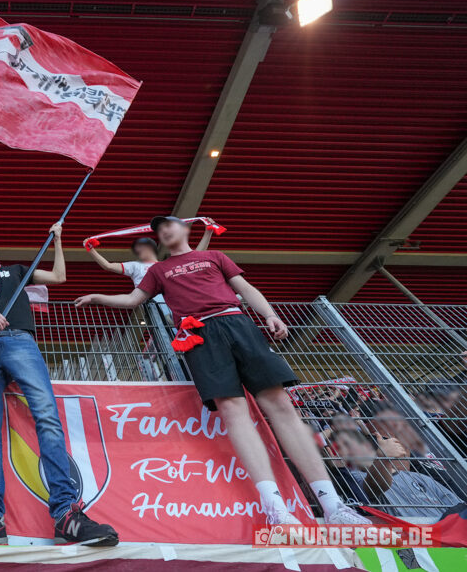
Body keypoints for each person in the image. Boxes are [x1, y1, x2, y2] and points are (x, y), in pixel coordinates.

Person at [74, 215, 370, 526]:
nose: (164, 230)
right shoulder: (157, 270)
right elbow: (134, 299)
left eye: (170, 224)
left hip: (237, 322)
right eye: (159, 229)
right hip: (198, 335)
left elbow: (244, 286)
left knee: (280, 404)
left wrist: (269, 314)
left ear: (187, 228)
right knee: (232, 410)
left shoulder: (214, 256)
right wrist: (98, 297)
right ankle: (276, 511)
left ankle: (333, 506)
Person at [0, 225, 119, 546]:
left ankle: (66, 513)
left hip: (21, 341)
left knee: (47, 417)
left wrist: (59, 240)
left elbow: (60, 277)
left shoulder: (16, 271)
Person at [333, 429, 460, 519]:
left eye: (347, 446)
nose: (344, 452)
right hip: (415, 543)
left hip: (451, 540)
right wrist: (383, 458)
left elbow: (457, 507)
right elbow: (374, 487)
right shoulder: (354, 478)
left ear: (368, 446)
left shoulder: (419, 477)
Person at [87, 227, 214, 316]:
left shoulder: (166, 264)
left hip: (174, 301)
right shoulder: (135, 265)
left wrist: (208, 232)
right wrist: (91, 250)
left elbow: (195, 257)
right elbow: (108, 266)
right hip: (152, 302)